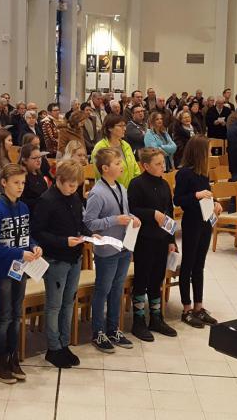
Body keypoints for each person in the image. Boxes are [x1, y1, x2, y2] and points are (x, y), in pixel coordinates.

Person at [0, 163, 41, 384]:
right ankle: (0, 360)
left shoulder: (24, 208)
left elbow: (27, 236)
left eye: (23, 183)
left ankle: (13, 357)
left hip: (21, 270)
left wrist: (34, 246)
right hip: (4, 270)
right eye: (16, 183)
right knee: (5, 316)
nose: (20, 187)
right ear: (4, 183)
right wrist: (19, 252)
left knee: (17, 316)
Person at [31, 160, 90, 369]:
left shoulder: (73, 196)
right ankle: (53, 347)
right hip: (56, 258)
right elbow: (38, 233)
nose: (73, 189)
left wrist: (91, 235)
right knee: (54, 305)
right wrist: (64, 241)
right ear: (58, 180)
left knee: (68, 302)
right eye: (70, 185)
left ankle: (64, 343)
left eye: (76, 186)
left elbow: (79, 222)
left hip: (74, 257)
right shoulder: (46, 201)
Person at [83, 148, 140, 353]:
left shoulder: (122, 189)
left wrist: (132, 217)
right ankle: (98, 331)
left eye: (120, 162)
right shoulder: (97, 193)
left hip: (123, 245)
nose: (121, 166)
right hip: (107, 248)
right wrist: (114, 220)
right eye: (117, 163)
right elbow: (89, 222)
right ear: (105, 168)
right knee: (103, 290)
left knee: (118, 289)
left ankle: (113, 328)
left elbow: (123, 212)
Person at [126, 148, 179, 341]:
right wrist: (152, 214)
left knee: (157, 278)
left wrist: (171, 240)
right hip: (144, 239)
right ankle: (138, 320)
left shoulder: (165, 184)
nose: (162, 167)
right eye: (157, 164)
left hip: (162, 239)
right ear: (145, 166)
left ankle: (156, 317)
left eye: (163, 163)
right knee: (143, 279)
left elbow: (169, 212)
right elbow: (133, 210)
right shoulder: (136, 184)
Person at [174, 136, 223, 328]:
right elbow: (178, 200)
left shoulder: (203, 173)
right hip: (192, 222)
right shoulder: (184, 173)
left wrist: (216, 202)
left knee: (200, 265)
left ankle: (198, 306)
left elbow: (207, 194)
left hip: (205, 221)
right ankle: (186, 308)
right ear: (199, 152)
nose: (210, 154)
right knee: (188, 264)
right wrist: (196, 195)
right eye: (208, 150)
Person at [91, 114, 141, 187]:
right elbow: (100, 174)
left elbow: (135, 168)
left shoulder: (126, 145)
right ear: (110, 128)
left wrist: (136, 185)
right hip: (112, 190)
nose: (124, 129)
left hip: (130, 189)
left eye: (124, 125)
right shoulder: (100, 148)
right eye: (120, 126)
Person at [18, 144, 50, 212]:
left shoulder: (38, 173)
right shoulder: (23, 177)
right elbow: (22, 201)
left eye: (40, 157)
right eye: (35, 158)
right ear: (25, 160)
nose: (39, 160)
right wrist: (42, 201)